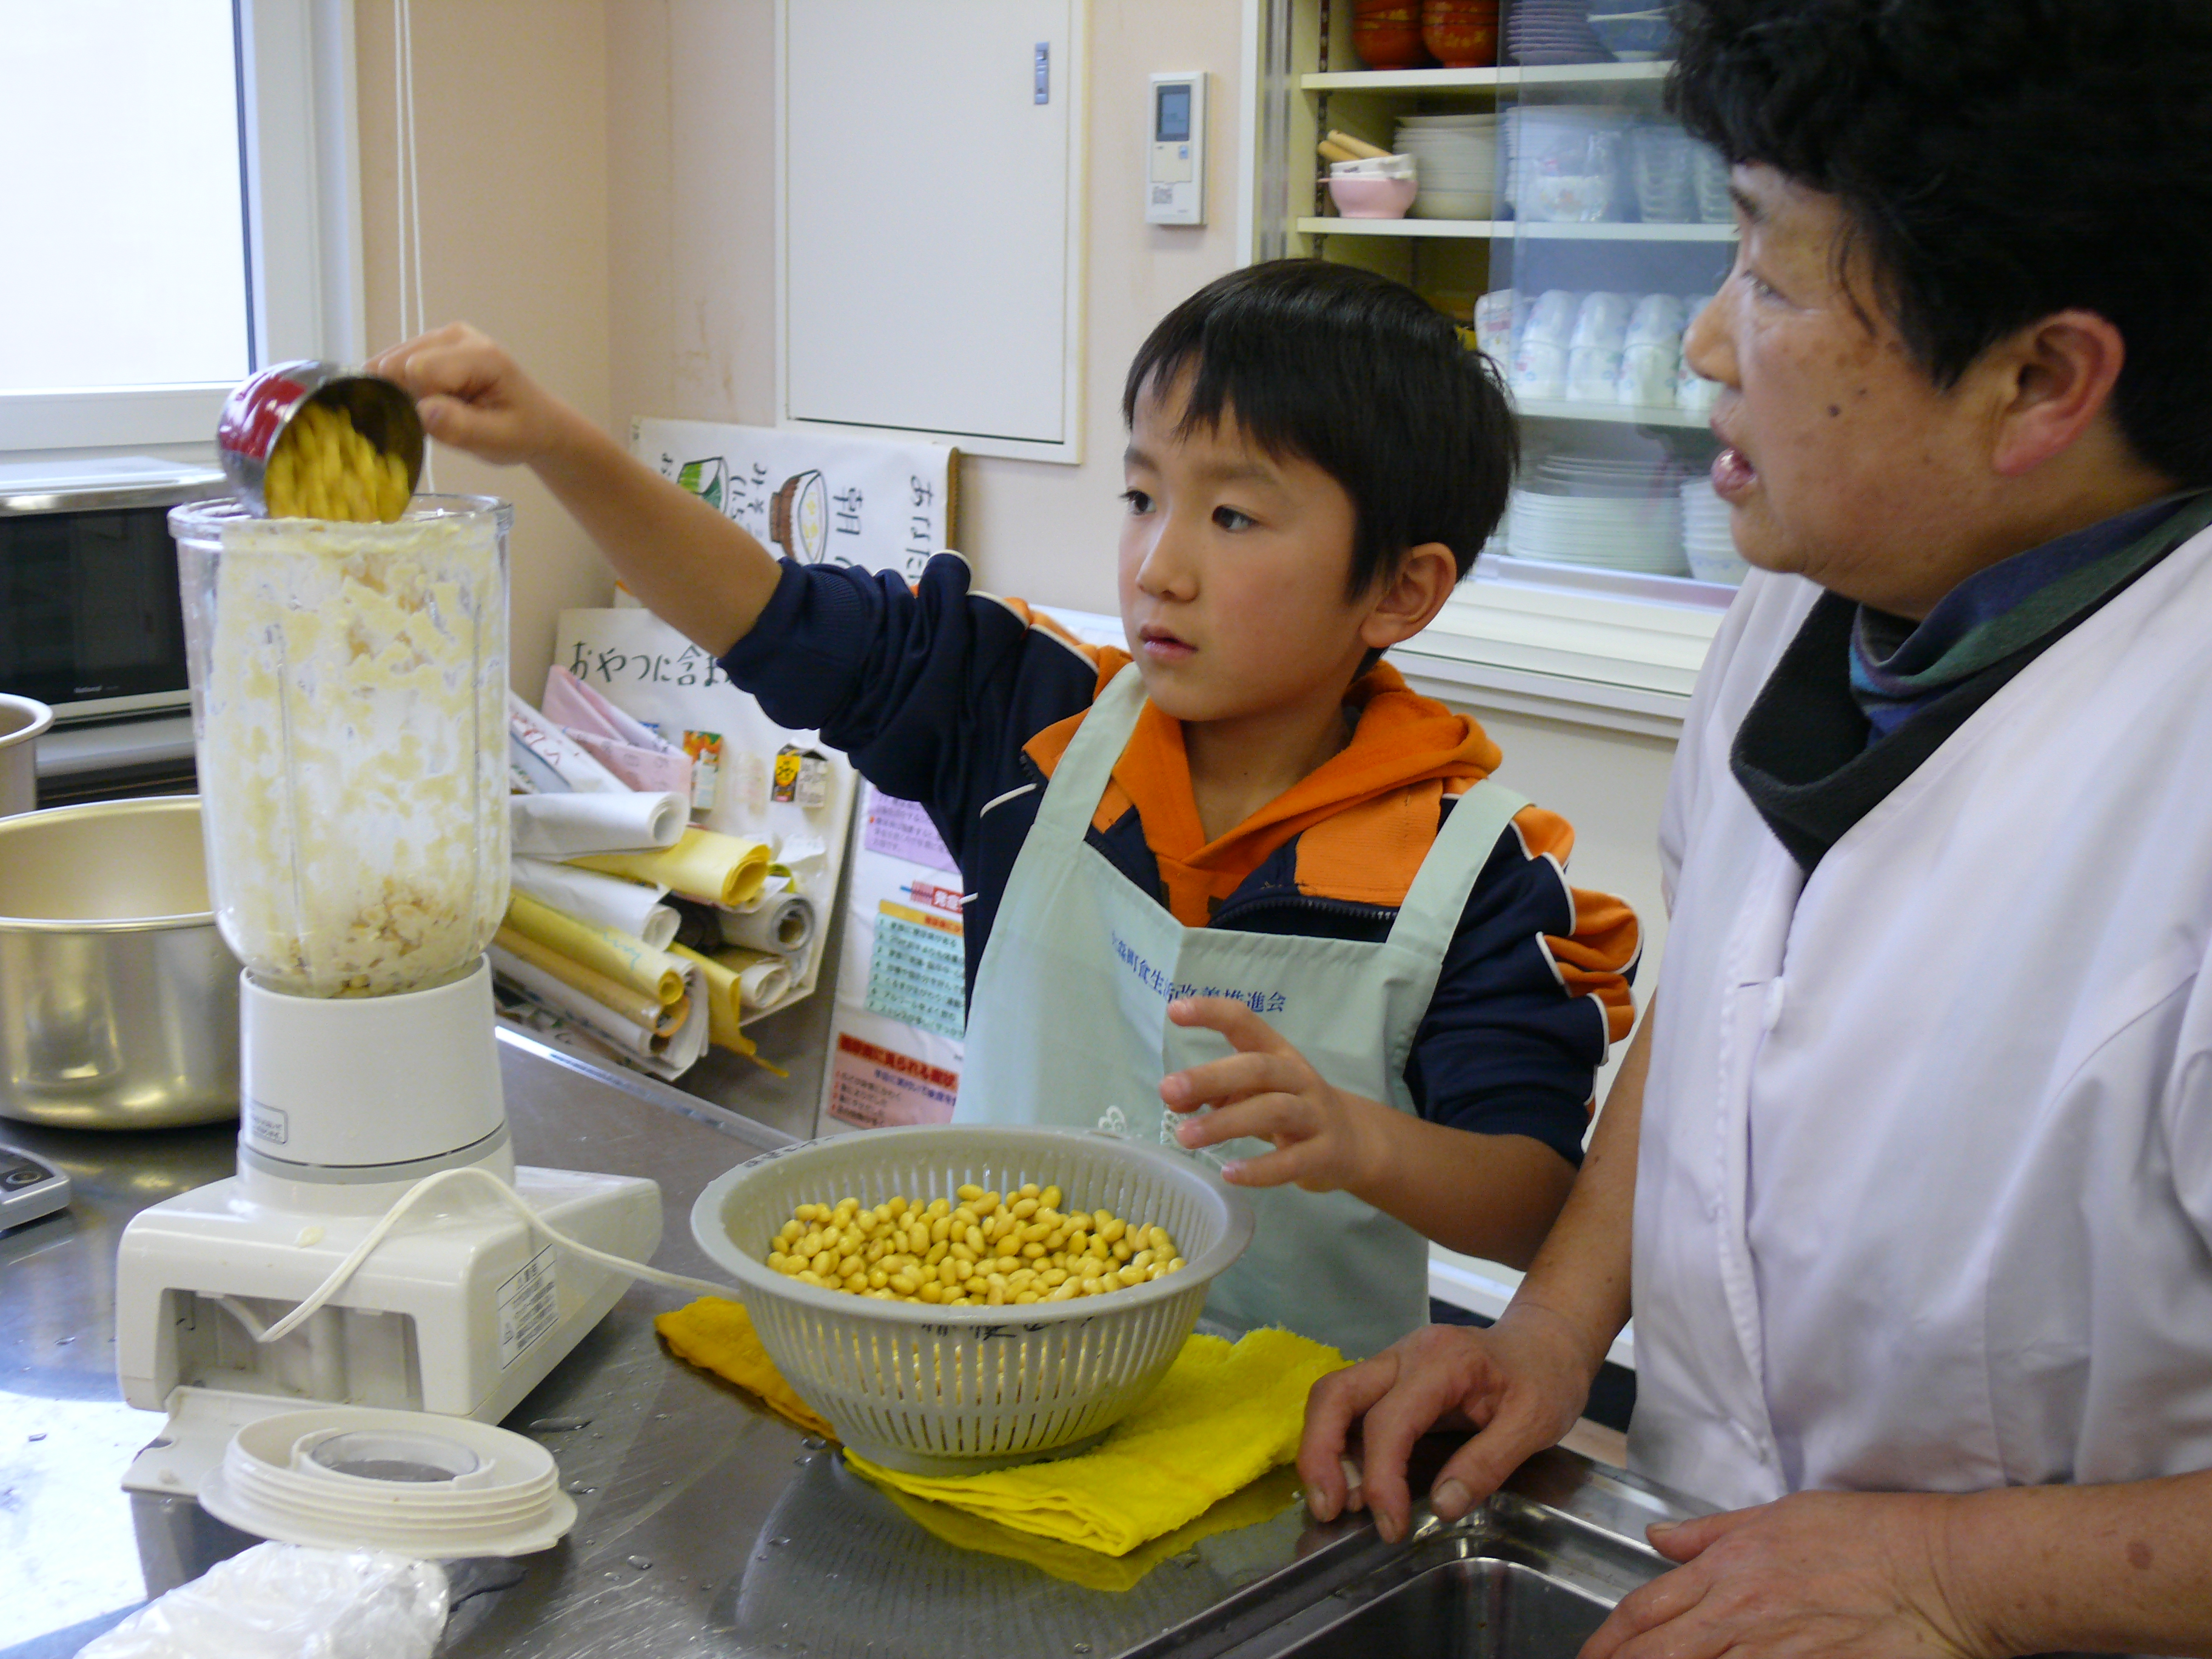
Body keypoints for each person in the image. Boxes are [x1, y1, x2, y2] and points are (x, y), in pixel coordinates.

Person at [1296, 1, 2212, 1651]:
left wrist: (1956, 1574)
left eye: (1773, 279)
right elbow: (1725, 1010)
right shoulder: (1803, 605)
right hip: (1697, 1562)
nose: (1707, 343)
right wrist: (1555, 1328)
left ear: (2042, 380)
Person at [370, 260, 1641, 1360]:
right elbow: (769, 616)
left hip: (1294, 1453)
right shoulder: (1024, 719)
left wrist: (1361, 1140)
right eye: (1143, 497)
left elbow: (1532, 1203)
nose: (1160, 565)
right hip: (993, 1378)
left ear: (1401, 590)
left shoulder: (1483, 873)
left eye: (1235, 514)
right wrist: (554, 444)